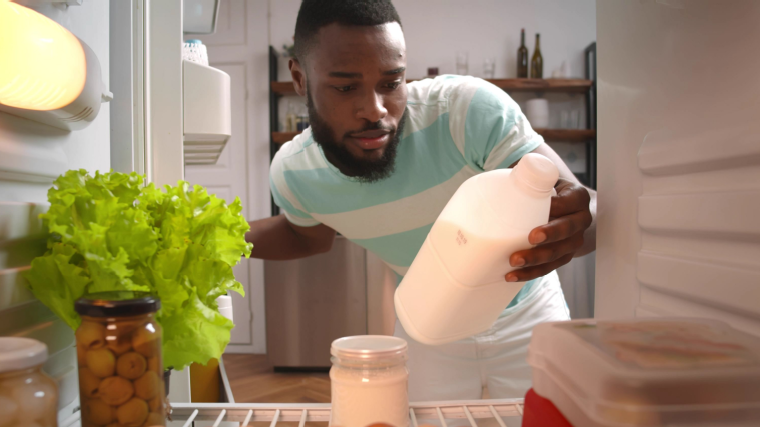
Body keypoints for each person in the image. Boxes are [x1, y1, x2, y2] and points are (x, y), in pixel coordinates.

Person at [246, 0, 596, 401]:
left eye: (392, 82)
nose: (375, 110)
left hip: (529, 314)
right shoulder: (294, 174)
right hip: (427, 322)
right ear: (300, 78)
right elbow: (306, 236)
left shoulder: (466, 112)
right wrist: (214, 239)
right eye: (345, 86)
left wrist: (578, 219)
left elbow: (580, 204)